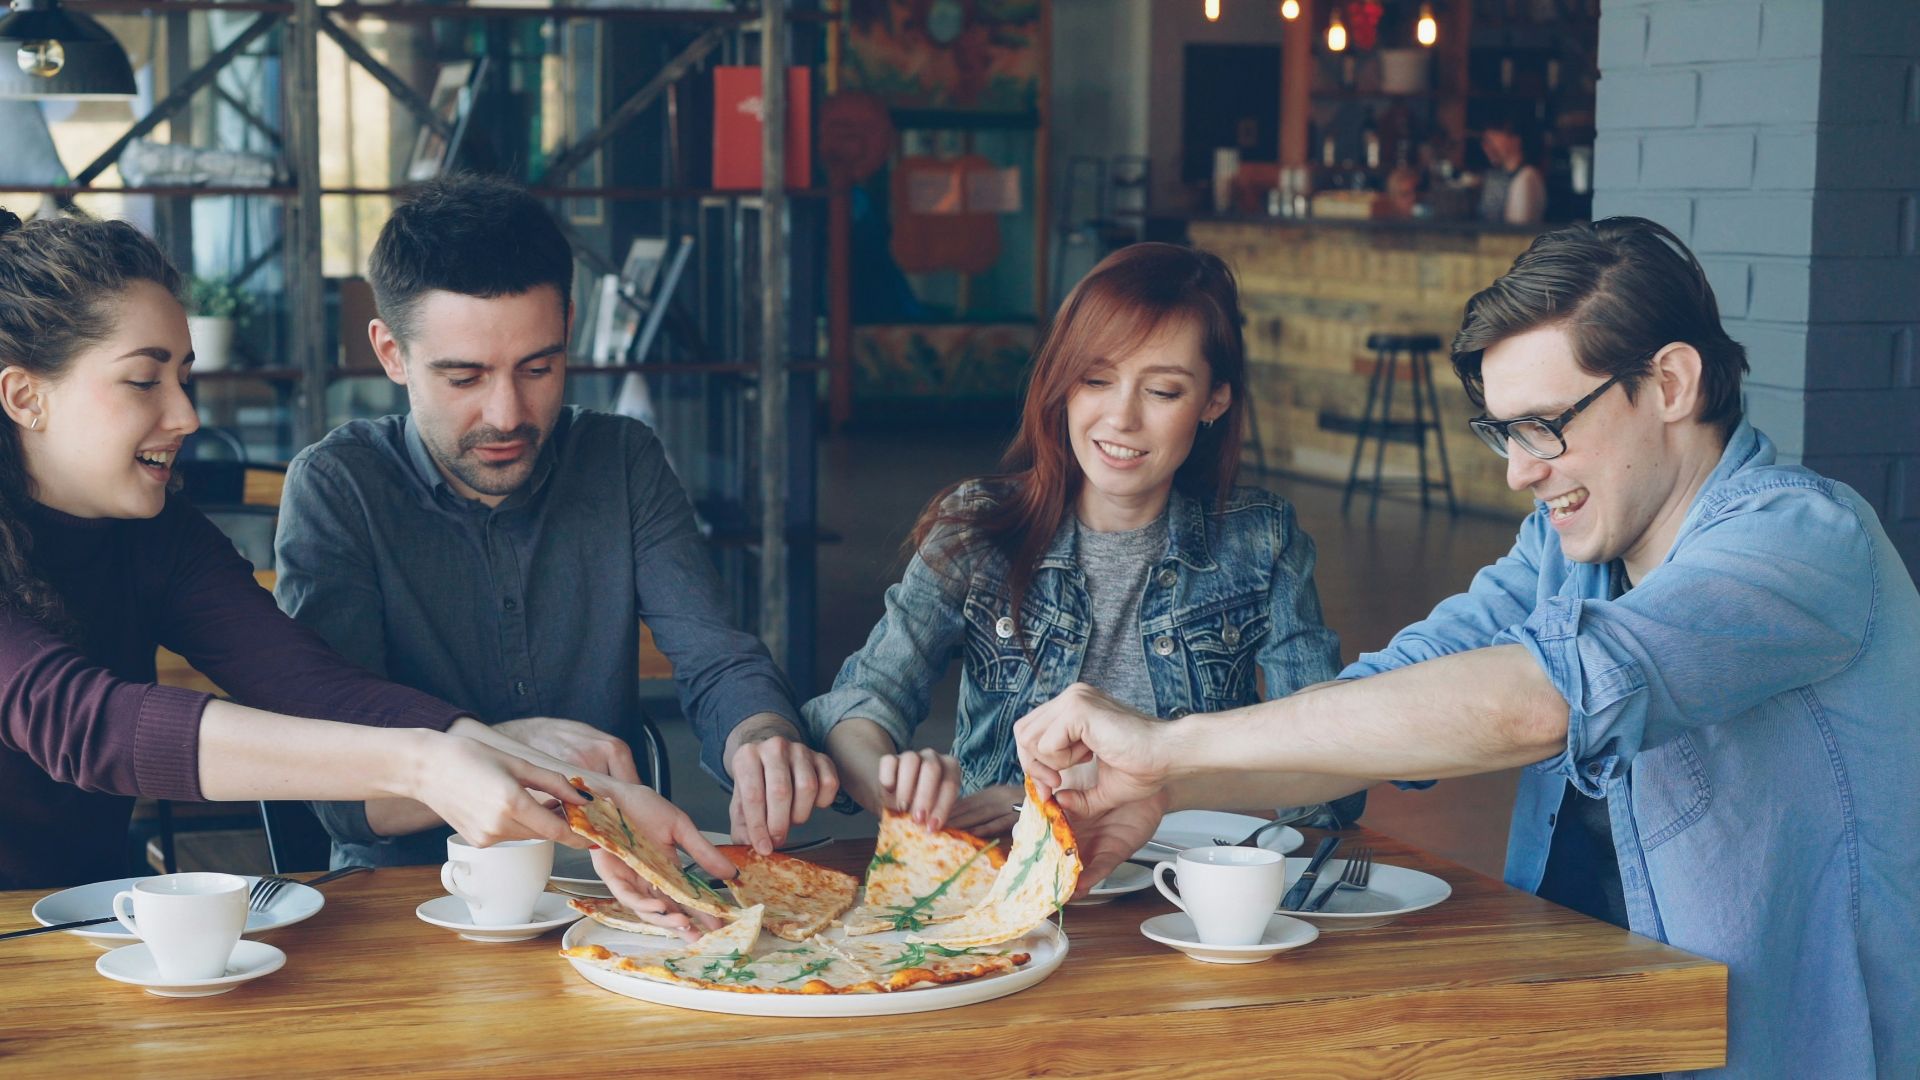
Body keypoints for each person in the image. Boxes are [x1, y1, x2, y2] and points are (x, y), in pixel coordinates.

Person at [1016, 218, 1920, 1077]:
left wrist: (1170, 744)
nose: (1521, 470)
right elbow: (1383, 695)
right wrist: (1155, 785)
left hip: (1765, 1053)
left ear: (1673, 384)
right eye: (1504, 432)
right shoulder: (1563, 552)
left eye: (1545, 424)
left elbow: (1540, 700)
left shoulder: (1802, 543)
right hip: (1590, 1025)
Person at [0, 207, 734, 918]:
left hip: (74, 913)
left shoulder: (155, 531)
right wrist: (426, 765)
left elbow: (311, 684)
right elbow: (90, 727)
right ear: (24, 396)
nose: (187, 415)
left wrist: (557, 781)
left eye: (183, 377)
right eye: (143, 381)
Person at [273, 174, 836, 879]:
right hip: (404, 902)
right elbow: (347, 797)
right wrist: (507, 749)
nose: (508, 414)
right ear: (391, 354)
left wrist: (762, 735)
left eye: (537, 367)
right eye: (464, 378)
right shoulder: (340, 488)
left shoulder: (622, 460)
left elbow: (719, 661)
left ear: (568, 326)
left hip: (615, 883)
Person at [804, 243, 1362, 838]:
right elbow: (859, 704)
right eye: (1097, 379)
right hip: (1009, 888)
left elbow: (1330, 777)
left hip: (1192, 891)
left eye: (1164, 391)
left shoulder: (1261, 543)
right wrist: (897, 790)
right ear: (1064, 384)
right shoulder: (976, 531)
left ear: (1214, 402)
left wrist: (1128, 800)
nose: (1121, 418)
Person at [1477, 117, 1546, 226]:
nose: (1486, 146)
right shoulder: (1499, 175)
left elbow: (1516, 232)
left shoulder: (1526, 176)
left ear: (1515, 139)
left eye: (1491, 139)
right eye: (1485, 141)